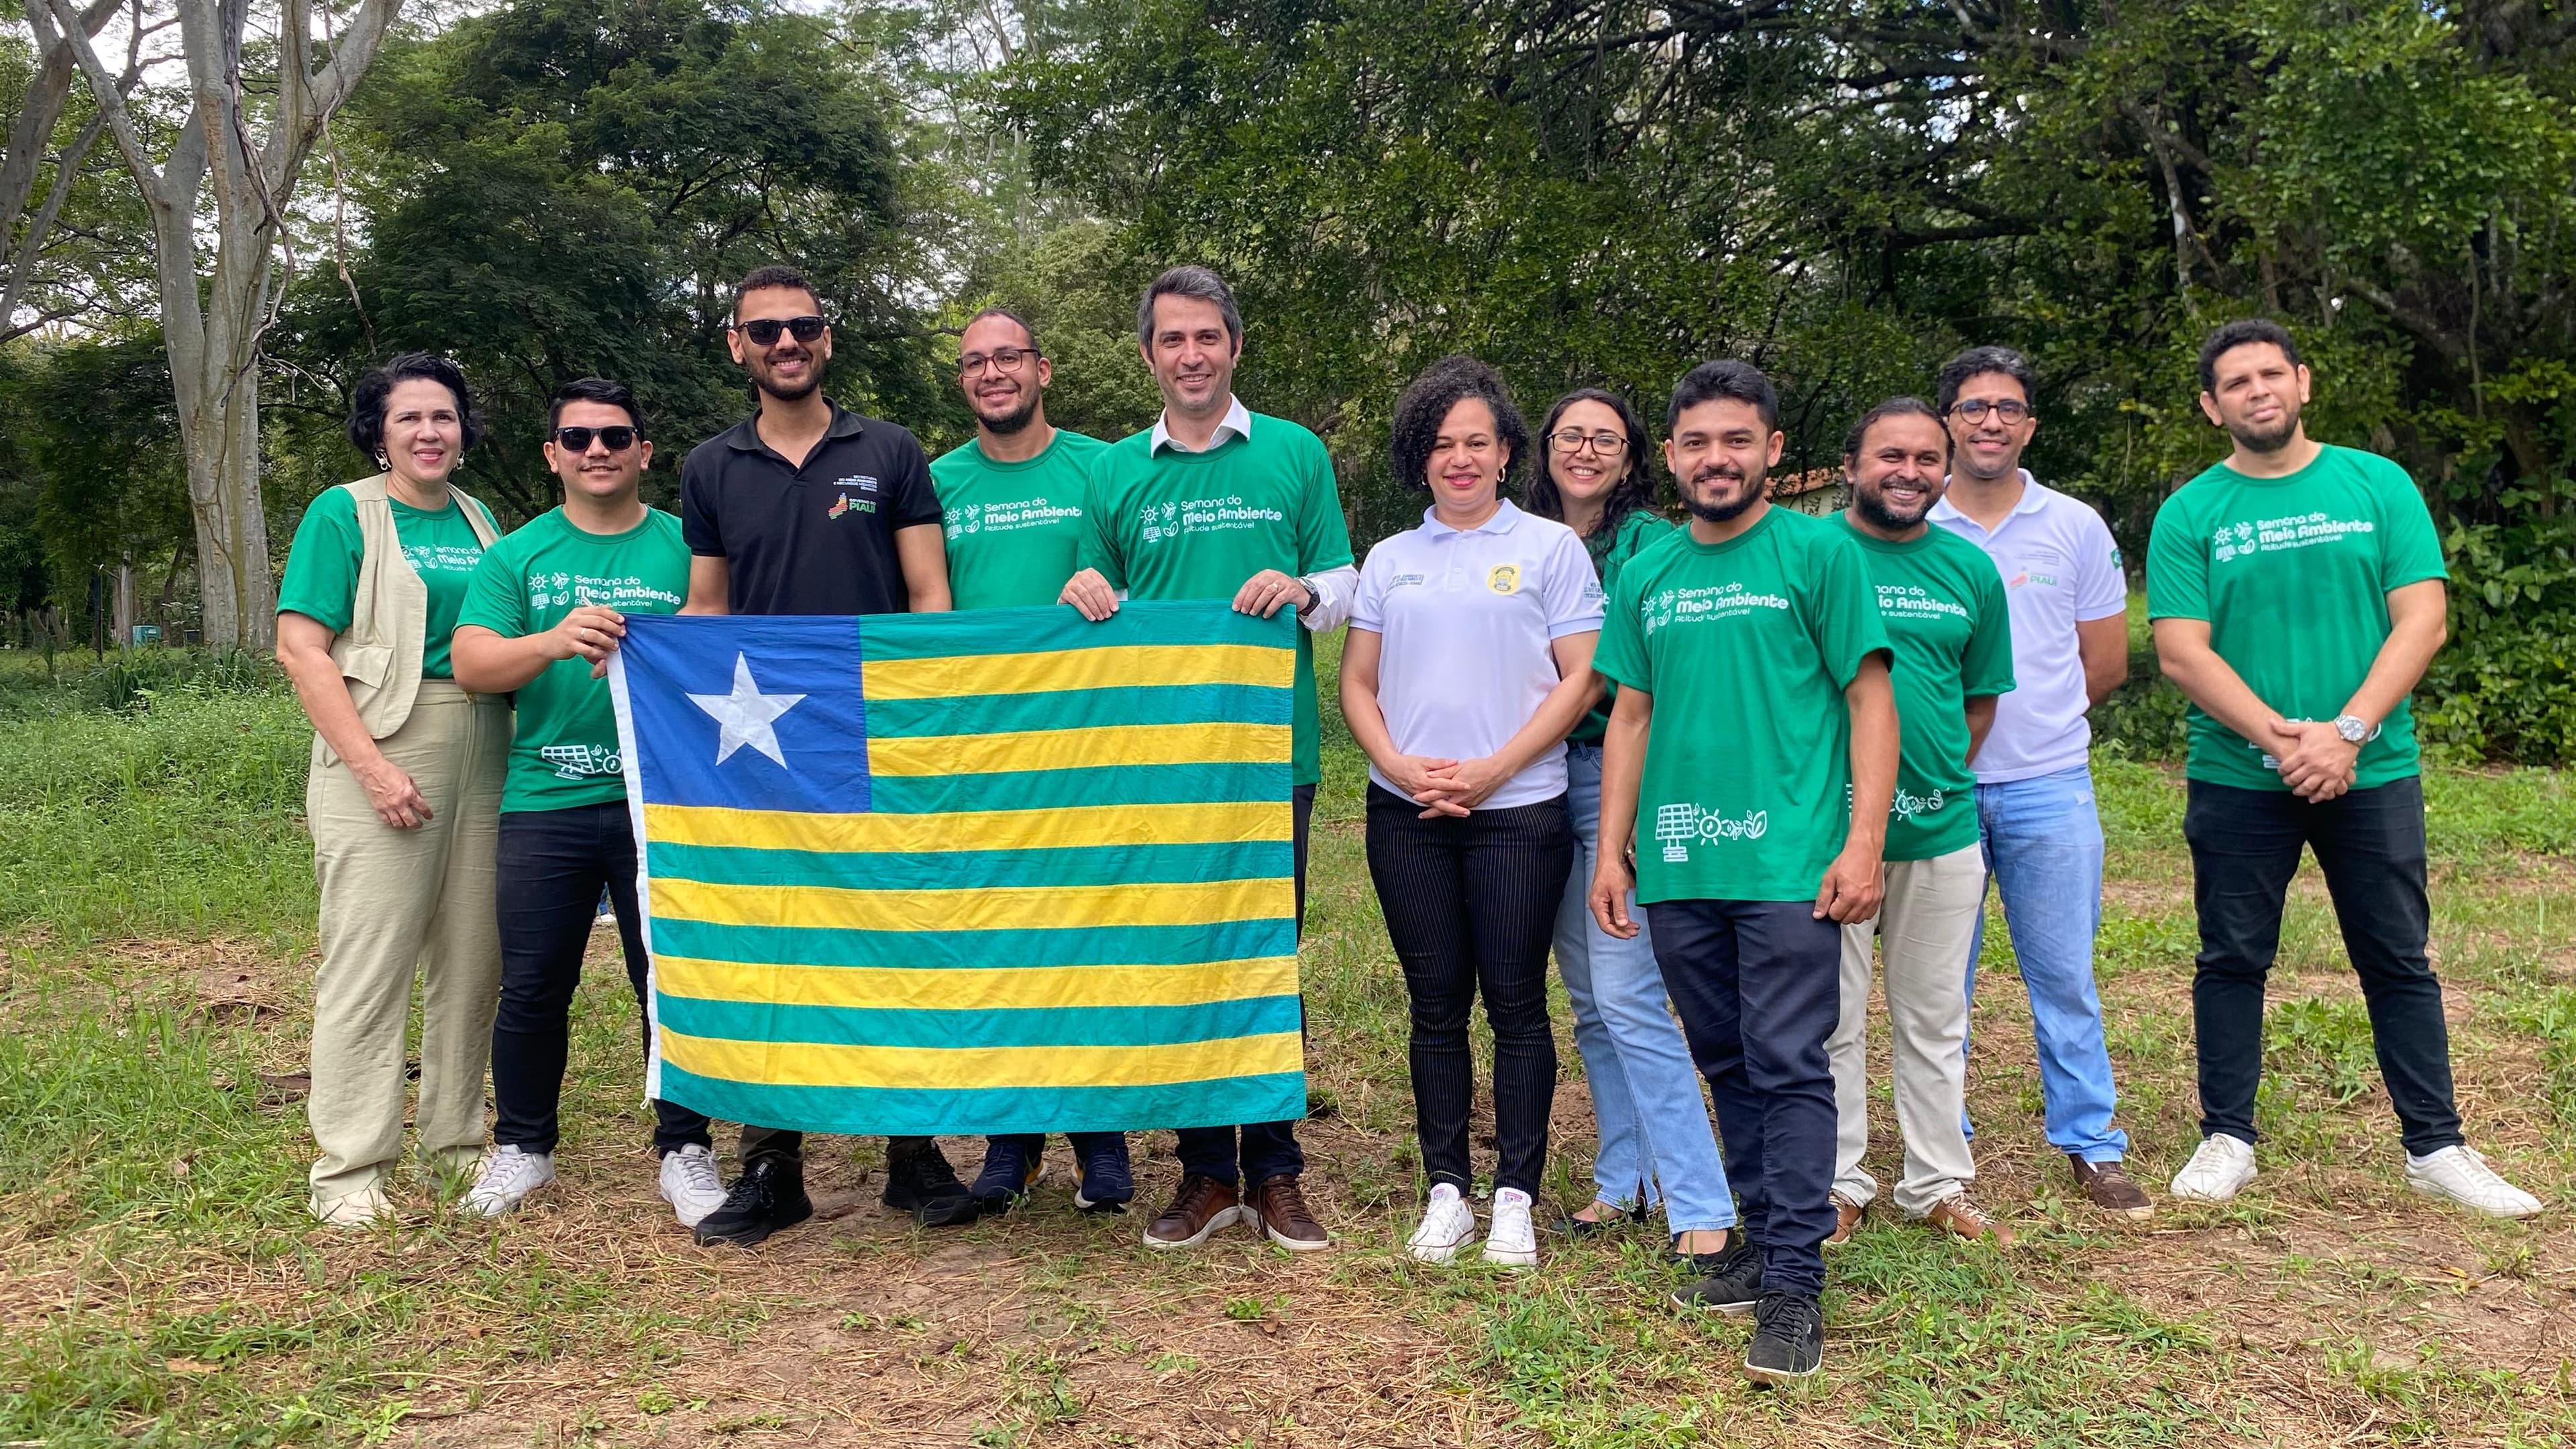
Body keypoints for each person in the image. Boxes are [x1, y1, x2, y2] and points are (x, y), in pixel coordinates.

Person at [2147, 319, 2543, 1219]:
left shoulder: (2377, 484)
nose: (2258, 391)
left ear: (2303, 382)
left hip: (2375, 769)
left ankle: (2436, 1147)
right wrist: (2285, 741)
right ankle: (2227, 1138)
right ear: (2213, 407)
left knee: (2398, 957)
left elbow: (2422, 620)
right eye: (2236, 383)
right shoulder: (2191, 512)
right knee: (2232, 955)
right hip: (2238, 776)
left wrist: (2348, 732)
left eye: (2270, 374)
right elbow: (2181, 651)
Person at [1589, 359, 1896, 1384]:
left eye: (1735, 441)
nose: (1715, 459)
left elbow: (1868, 700)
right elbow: (1630, 714)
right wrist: (1611, 849)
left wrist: (1861, 844)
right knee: (1724, 1058)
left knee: (1787, 1059)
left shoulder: (1818, 554)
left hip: (1788, 858)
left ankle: (1797, 1287)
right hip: (1680, 860)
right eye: (1695, 443)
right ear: (1670, 456)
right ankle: (1760, 1243)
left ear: (1771, 450)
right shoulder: (1647, 573)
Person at [1060, 264, 1358, 1252]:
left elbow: (1350, 581)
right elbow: (1093, 589)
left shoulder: (1294, 452)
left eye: (1208, 338)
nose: (1191, 356)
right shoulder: (1113, 471)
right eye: (1172, 340)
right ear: (1148, 355)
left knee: (1265, 956)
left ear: (1235, 346)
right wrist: (1085, 593)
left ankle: (1276, 1171)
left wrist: (1304, 590)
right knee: (1183, 957)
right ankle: (1204, 1173)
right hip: (1160, 762)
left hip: (1272, 754)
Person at [677, 263, 972, 1246]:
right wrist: (644, 662)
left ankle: (912, 1149)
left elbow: (930, 599)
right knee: (780, 940)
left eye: (802, 327)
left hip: (879, 728)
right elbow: (707, 609)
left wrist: (933, 712)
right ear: (738, 346)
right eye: (765, 331)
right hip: (760, 744)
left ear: (827, 339)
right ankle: (773, 1164)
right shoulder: (709, 466)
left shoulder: (890, 452)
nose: (785, 344)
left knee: (896, 932)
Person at [448, 378, 724, 1227]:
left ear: (645, 451)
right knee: (534, 984)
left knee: (668, 980)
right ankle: (523, 1147)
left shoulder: (692, 547)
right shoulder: (517, 556)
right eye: (577, 438)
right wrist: (552, 638)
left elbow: (734, 646)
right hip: (548, 798)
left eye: (615, 436)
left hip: (667, 804)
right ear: (553, 455)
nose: (596, 450)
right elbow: (471, 666)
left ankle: (686, 1149)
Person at [1340, 358, 1597, 1268]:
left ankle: (1517, 1196)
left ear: (1504, 453)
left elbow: (1582, 680)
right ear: (1420, 459)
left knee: (1519, 1007)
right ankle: (1447, 1189)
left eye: (1476, 443)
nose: (1458, 459)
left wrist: (1493, 769)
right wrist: (1397, 765)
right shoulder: (1391, 560)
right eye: (1440, 445)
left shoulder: (1548, 550)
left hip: (1517, 810)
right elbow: (1358, 683)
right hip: (1406, 813)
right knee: (1435, 1007)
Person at [275, 352, 507, 1227]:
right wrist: (372, 767)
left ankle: (454, 1147)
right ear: (379, 431)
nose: (429, 433)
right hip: (384, 744)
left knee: (474, 957)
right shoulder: (344, 514)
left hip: (487, 745)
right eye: (409, 418)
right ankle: (351, 1171)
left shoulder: (481, 518)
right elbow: (302, 649)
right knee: (372, 963)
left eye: (443, 417)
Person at [1927, 346, 2153, 1220]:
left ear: (2030, 424)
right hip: (1937, 789)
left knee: (2063, 975)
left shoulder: (2074, 525)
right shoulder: (1912, 524)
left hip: (2048, 785)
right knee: (1940, 980)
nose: (1991, 421)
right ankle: (1941, 1145)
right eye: (1974, 405)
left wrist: (2038, 720)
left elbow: (2103, 661)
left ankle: (2091, 1146)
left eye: (2008, 408)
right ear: (1948, 418)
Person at [926, 305, 1134, 1217]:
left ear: (1043, 369)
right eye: (975, 362)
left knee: (1086, 936)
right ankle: (1010, 1137)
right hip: (982, 753)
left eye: (1008, 357)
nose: (992, 373)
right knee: (1001, 938)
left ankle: (1101, 1133)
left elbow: (1148, 583)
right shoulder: (934, 483)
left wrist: (1114, 591)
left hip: (1090, 744)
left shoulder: (1107, 467)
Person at [1524, 389, 1734, 1266]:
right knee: (1589, 1004)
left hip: (1619, 780)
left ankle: (1700, 1196)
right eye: (1571, 434)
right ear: (1545, 447)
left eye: (1605, 438)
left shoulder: (1651, 544)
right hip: (1535, 781)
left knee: (1629, 996)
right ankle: (1625, 1181)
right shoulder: (1518, 536)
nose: (1586, 449)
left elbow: (1644, 677)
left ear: (1629, 455)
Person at [1823, 398, 2017, 1247]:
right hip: (1824, 830)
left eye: (1926, 459)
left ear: (1946, 470)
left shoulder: (1969, 570)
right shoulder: (1813, 554)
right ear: (1850, 465)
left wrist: (1926, 779)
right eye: (1889, 455)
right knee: (1829, 1016)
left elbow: (1977, 703)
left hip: (1939, 826)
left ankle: (1936, 1184)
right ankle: (1836, 1182)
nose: (1908, 472)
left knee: (1936, 1016)